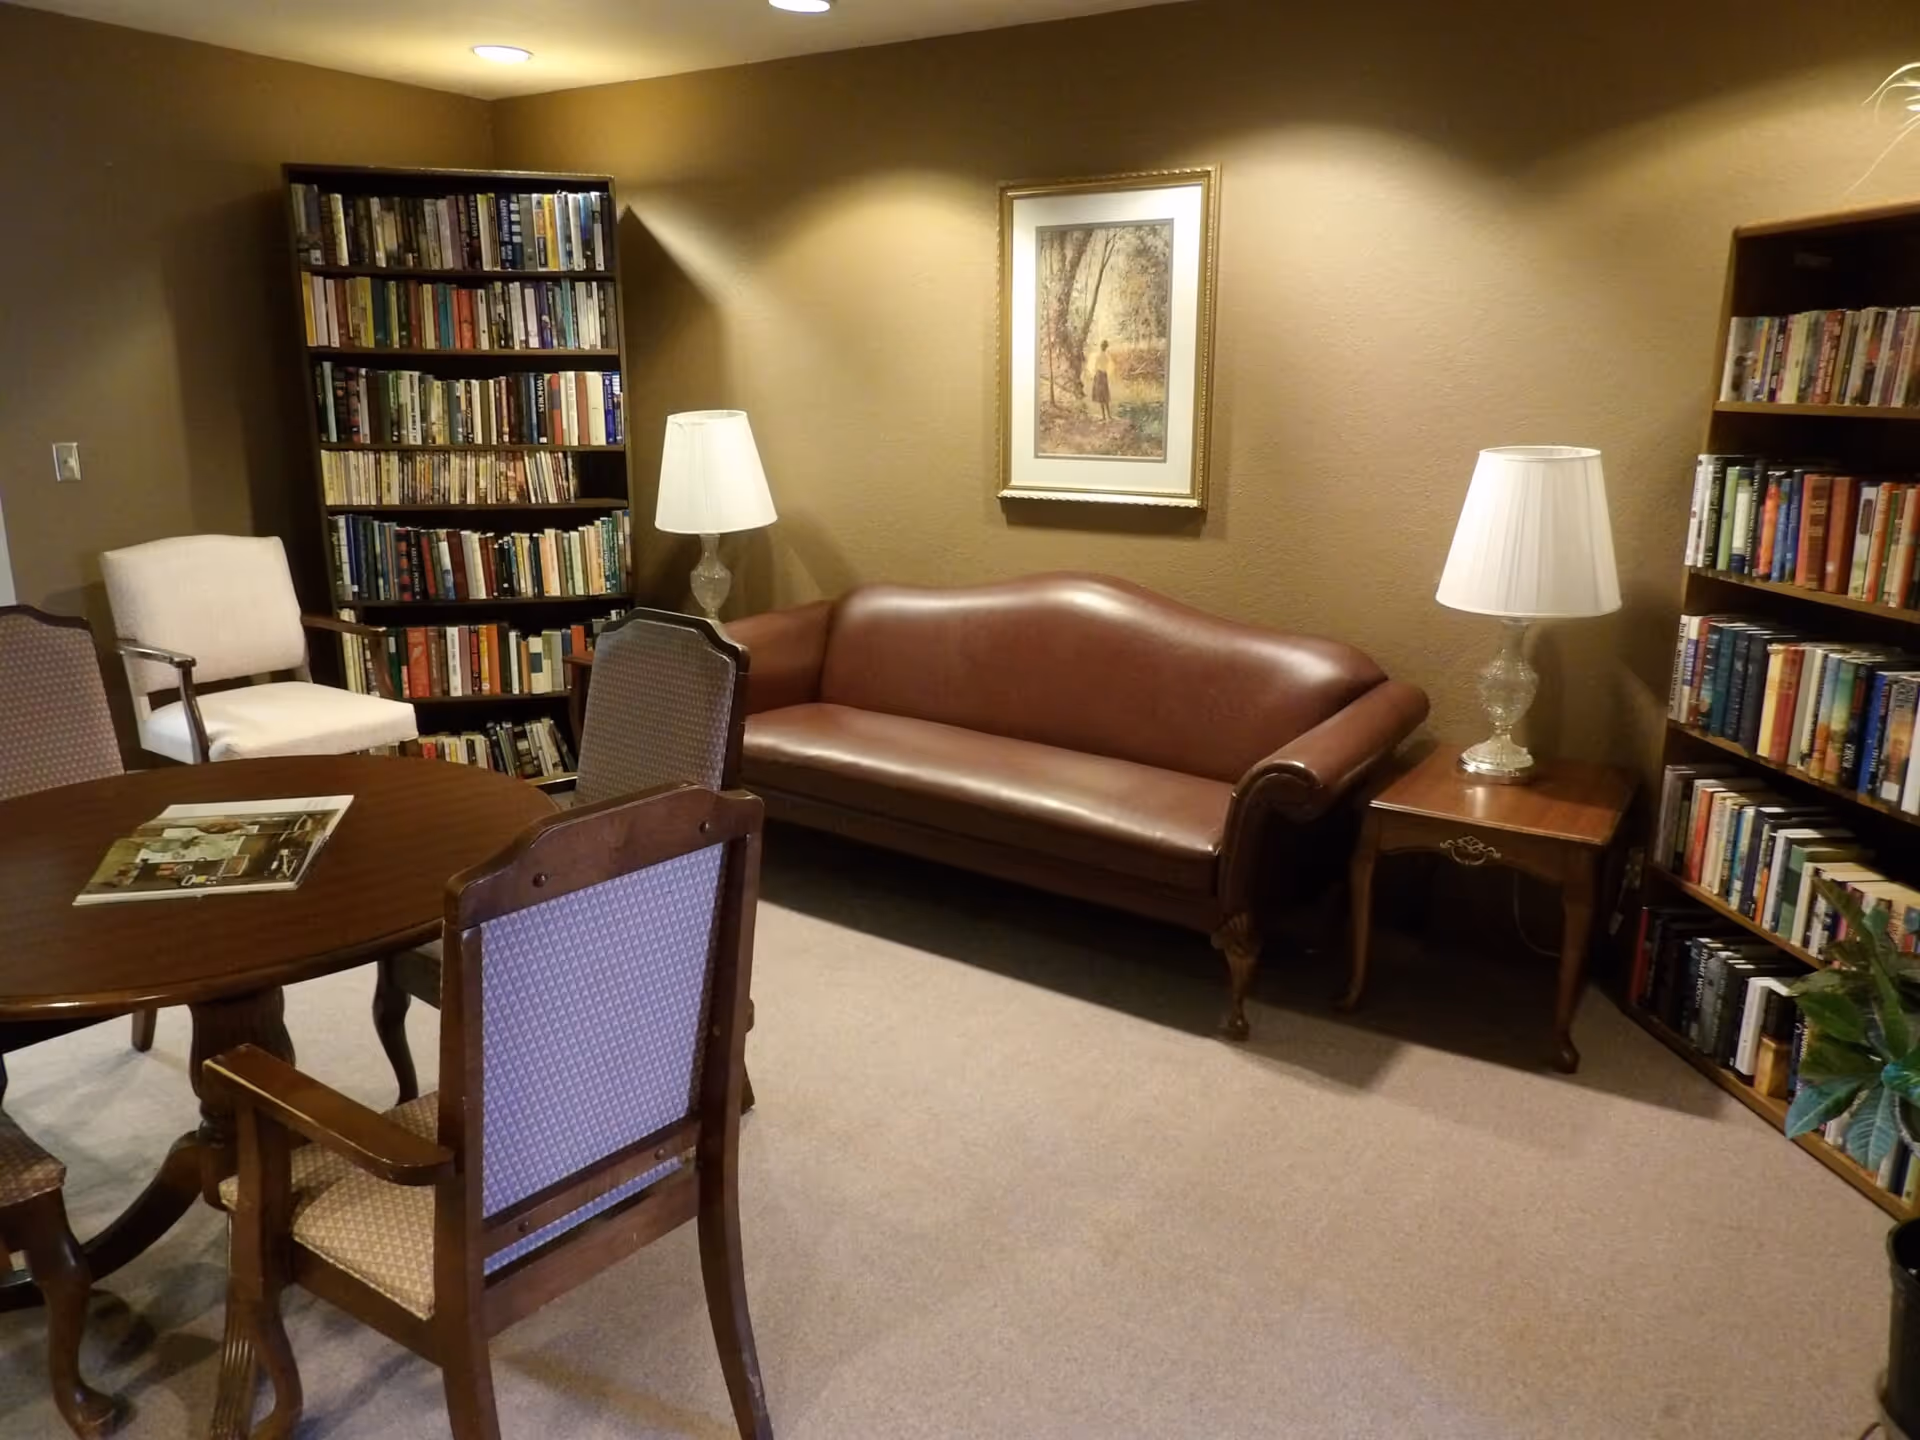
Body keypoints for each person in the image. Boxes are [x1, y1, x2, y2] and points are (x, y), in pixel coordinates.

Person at [1092, 339, 1114, 422]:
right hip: (1104, 375)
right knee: (1105, 395)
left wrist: (1095, 374)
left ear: (1101, 347)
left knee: (1101, 396)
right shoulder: (1106, 356)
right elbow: (1107, 366)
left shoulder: (1098, 355)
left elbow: (1095, 366)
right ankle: (1108, 415)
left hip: (1099, 375)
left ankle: (1104, 416)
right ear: (1106, 347)